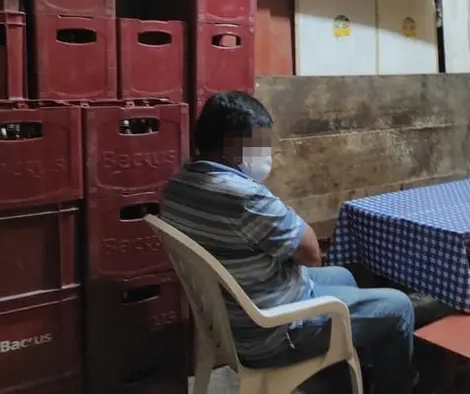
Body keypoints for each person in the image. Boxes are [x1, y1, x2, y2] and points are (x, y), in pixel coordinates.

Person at [162, 91, 416, 393]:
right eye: (259, 145)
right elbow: (311, 254)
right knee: (400, 307)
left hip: (231, 314)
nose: (266, 155)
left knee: (346, 274)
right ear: (231, 143)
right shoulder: (244, 197)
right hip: (270, 332)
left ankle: (361, 368)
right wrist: (273, 203)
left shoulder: (179, 184)